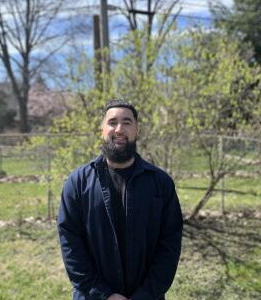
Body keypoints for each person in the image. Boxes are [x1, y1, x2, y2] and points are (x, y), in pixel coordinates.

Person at [57, 99, 183, 300]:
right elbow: (70, 244)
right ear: (102, 130)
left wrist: (145, 295)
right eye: (112, 122)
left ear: (137, 130)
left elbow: (170, 245)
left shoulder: (161, 183)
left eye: (127, 122)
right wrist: (103, 294)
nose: (119, 129)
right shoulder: (78, 182)